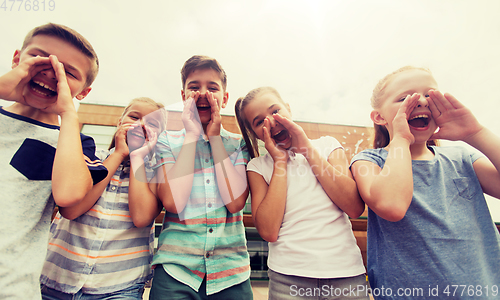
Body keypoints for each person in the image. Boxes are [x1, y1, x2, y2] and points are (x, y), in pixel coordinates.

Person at [350, 66, 500, 299]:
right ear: (379, 117)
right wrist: (400, 138)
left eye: (430, 95)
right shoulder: (369, 162)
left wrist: (475, 133)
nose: (421, 100)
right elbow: (392, 205)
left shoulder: (462, 158)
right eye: (405, 98)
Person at [0, 23, 107, 300]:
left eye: (68, 72)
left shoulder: (74, 143)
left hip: (11, 289)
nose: (52, 71)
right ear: (16, 59)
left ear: (84, 92)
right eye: (40, 58)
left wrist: (69, 116)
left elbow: (69, 196)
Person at [235, 86, 369, 300]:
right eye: (259, 121)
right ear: (254, 133)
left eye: (275, 111)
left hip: (345, 274)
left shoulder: (327, 146)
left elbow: (354, 206)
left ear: (289, 108)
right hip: (288, 279)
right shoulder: (258, 167)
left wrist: (306, 148)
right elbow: (268, 231)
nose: (271, 121)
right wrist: (280, 162)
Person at [145, 55, 253, 300]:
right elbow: (173, 202)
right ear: (183, 96)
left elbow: (235, 203)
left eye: (212, 87)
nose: (203, 93)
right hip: (176, 272)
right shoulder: (166, 142)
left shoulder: (239, 145)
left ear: (224, 98)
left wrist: (215, 139)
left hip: (231, 274)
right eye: (194, 87)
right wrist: (192, 135)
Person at [40, 97, 166, 299]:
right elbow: (71, 210)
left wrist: (136, 158)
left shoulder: (155, 173)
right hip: (57, 281)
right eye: (134, 116)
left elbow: (141, 217)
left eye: (152, 123)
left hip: (119, 287)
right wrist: (118, 154)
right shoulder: (90, 156)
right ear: (119, 121)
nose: (141, 124)